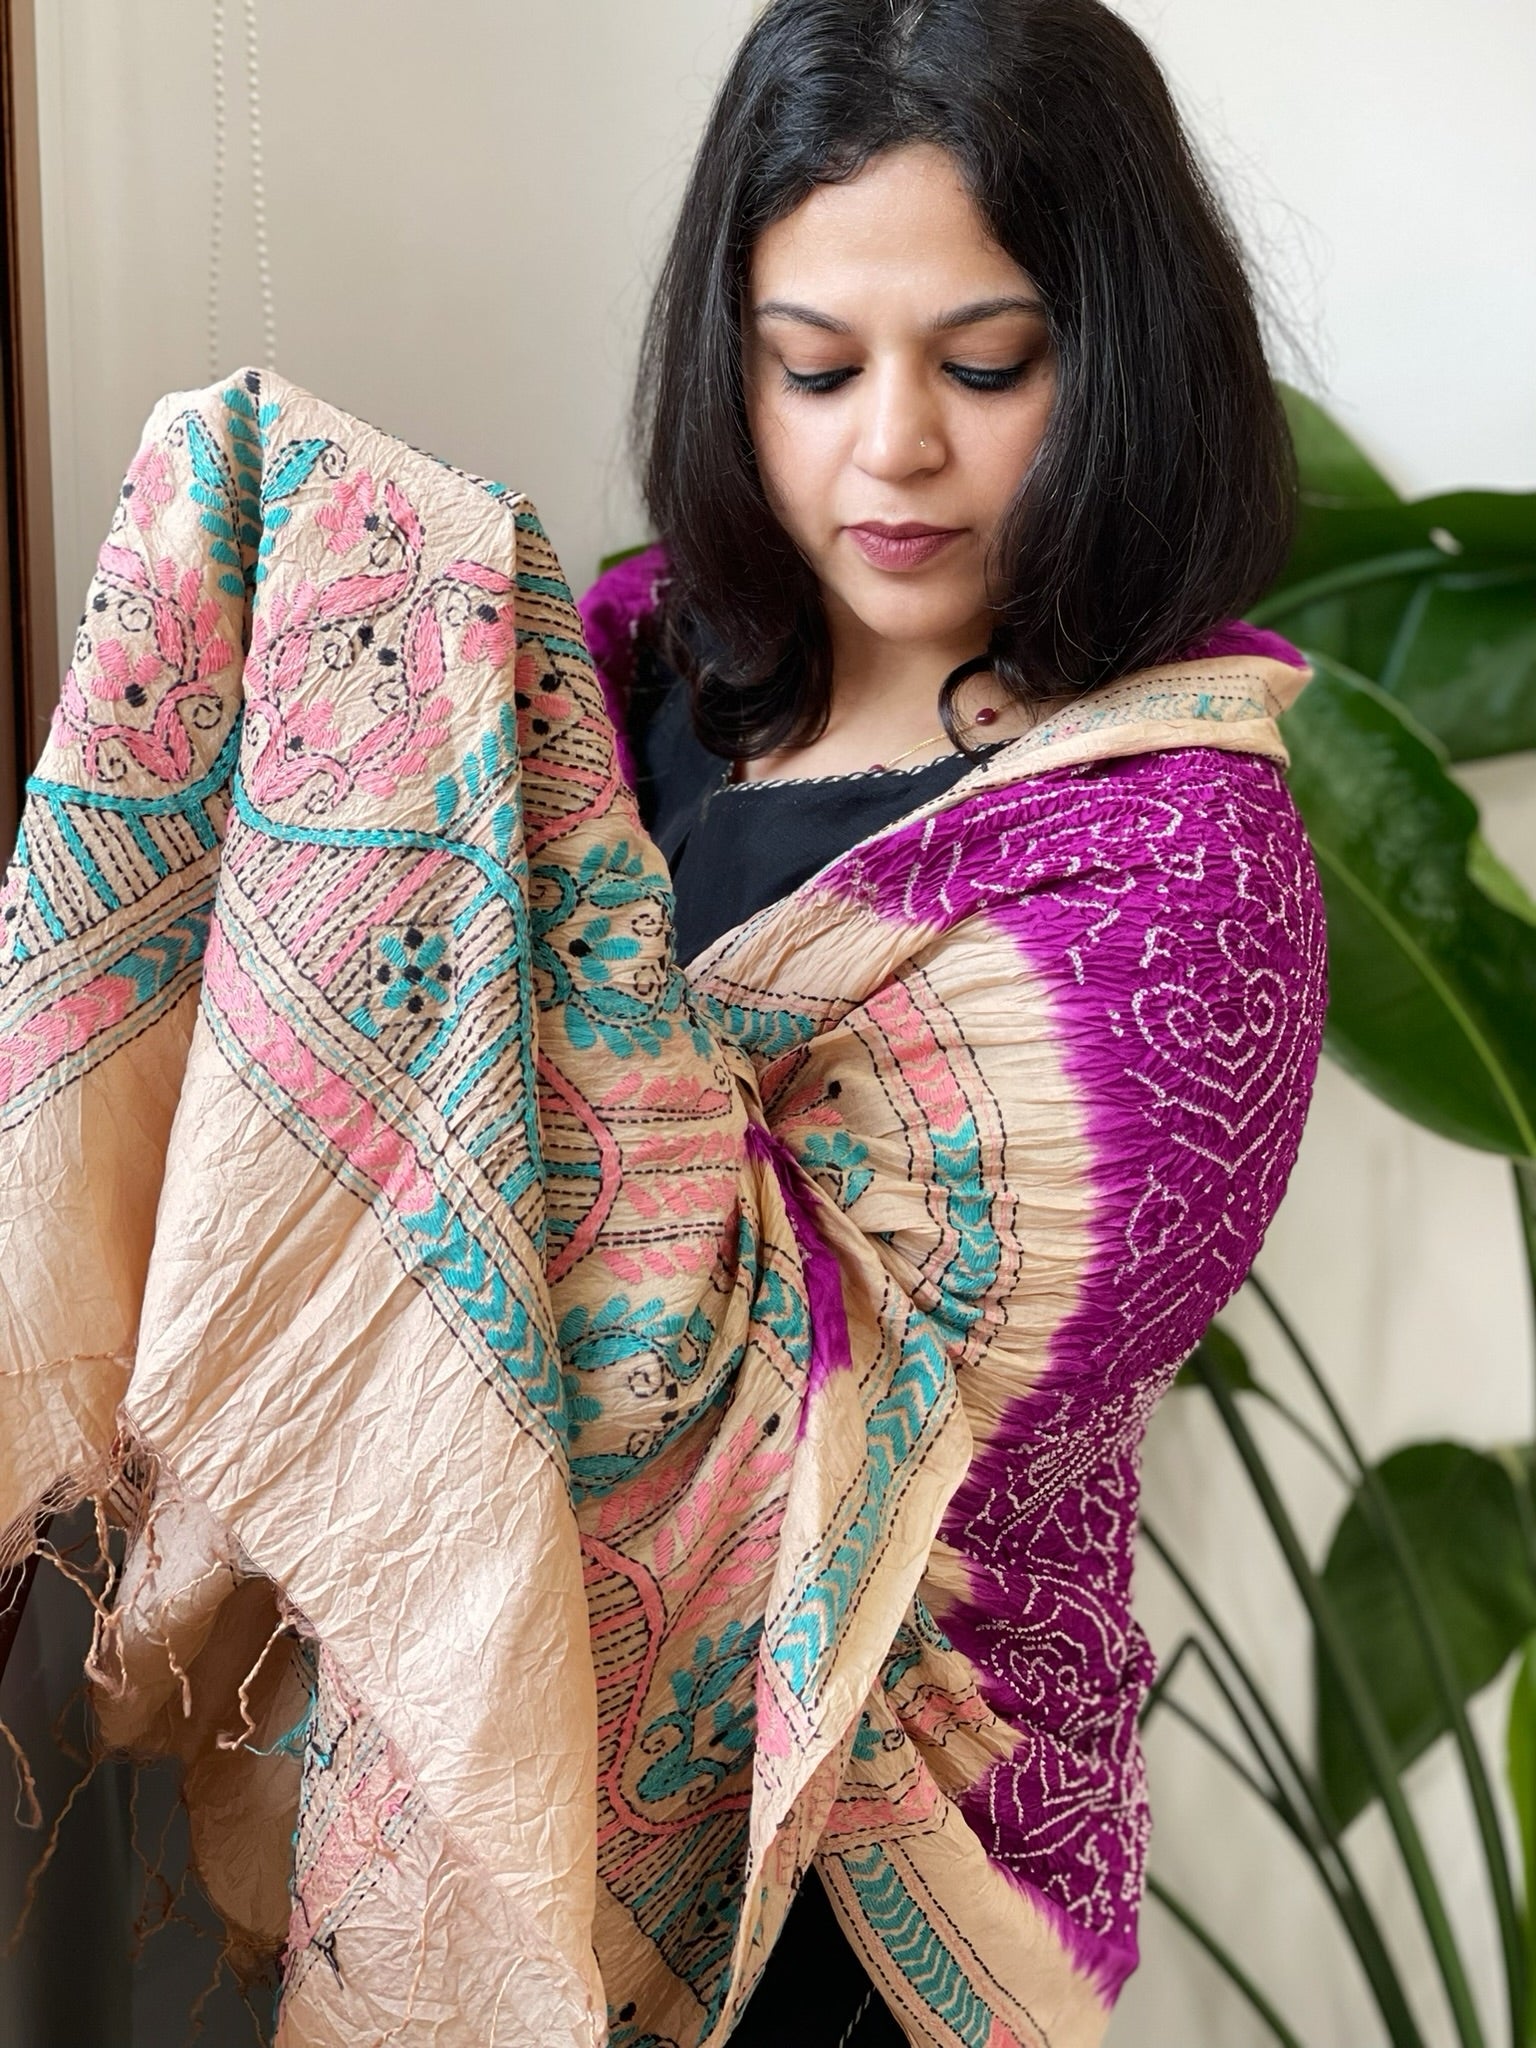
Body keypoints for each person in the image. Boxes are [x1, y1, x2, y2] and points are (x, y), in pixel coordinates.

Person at [575, 0, 1324, 2040]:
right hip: (518, 1762)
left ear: (1121, 359)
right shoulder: (623, 683)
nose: (891, 445)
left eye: (986, 366)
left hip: (914, 1834)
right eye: (813, 366)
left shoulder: (1175, 857)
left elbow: (871, 1371)